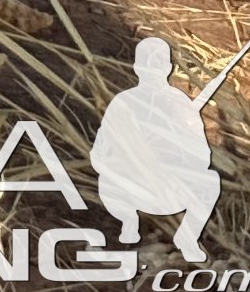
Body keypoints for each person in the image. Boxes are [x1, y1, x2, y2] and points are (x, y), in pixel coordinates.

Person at [91, 35, 226, 261]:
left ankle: (181, 236)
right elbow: (99, 155)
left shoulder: (176, 104)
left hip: (157, 190)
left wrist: (173, 152)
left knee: (209, 181)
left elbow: (202, 156)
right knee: (210, 181)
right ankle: (130, 222)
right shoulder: (126, 103)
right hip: (135, 190)